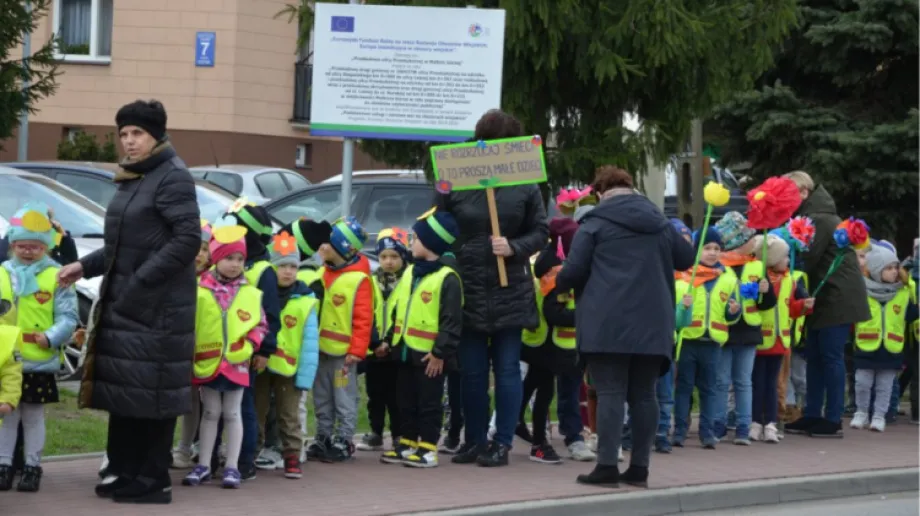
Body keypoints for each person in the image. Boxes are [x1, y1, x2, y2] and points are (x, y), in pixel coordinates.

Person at [56, 99, 201, 504]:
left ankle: (154, 480)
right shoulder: (135, 176)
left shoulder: (172, 176)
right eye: (123, 133)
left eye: (137, 133)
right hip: (128, 304)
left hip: (159, 309)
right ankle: (126, 471)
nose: (128, 141)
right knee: (127, 393)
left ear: (156, 134)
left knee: (151, 395)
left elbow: (188, 240)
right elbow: (122, 244)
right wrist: (83, 267)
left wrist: (139, 283)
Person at [555, 166, 694, 488]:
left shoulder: (595, 223)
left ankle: (606, 466)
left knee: (611, 392)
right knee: (645, 395)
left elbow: (573, 271)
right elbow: (686, 258)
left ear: (601, 192)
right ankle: (639, 469)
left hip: (607, 323)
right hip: (654, 321)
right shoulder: (659, 222)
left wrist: (560, 283)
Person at [434, 109, 549, 468]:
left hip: (509, 286)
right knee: (470, 371)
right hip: (468, 286)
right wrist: (453, 254)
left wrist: (514, 247)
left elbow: (541, 231)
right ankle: (474, 438)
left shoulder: (525, 183)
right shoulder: (457, 178)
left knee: (507, 368)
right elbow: (438, 226)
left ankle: (501, 442)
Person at [782, 171, 870, 438]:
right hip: (826, 296)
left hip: (836, 297)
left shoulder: (819, 219)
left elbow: (808, 257)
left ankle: (832, 419)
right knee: (816, 357)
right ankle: (812, 414)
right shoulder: (816, 216)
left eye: (790, 192)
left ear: (804, 193)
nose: (786, 198)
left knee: (830, 357)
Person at [0, 206, 79, 492]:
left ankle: (33, 466)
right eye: (22, 246)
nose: (29, 252)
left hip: (38, 359)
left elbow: (69, 317)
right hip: (7, 360)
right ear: (12, 245)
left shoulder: (57, 276)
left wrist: (51, 337)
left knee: (33, 417)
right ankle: (4, 465)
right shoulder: (2, 273)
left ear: (45, 247)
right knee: (7, 416)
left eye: (35, 247)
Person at [183, 226, 267, 489]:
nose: (234, 264)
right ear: (216, 258)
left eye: (240, 259)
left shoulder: (251, 294)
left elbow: (260, 324)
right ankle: (204, 465)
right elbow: (190, 324)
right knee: (210, 413)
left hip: (237, 362)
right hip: (207, 361)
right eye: (229, 258)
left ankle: (232, 467)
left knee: (232, 413)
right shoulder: (199, 291)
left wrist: (251, 345)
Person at [379, 210, 462, 468]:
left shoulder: (447, 278)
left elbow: (451, 321)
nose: (411, 244)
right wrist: (389, 339)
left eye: (415, 239)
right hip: (404, 351)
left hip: (429, 356)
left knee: (428, 403)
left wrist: (440, 352)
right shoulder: (411, 272)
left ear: (430, 244)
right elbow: (398, 308)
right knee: (405, 399)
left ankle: (427, 449)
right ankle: (407, 443)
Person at [522, 217, 596, 463]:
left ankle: (521, 424)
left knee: (544, 387)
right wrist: (585, 314)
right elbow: (555, 312)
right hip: (550, 344)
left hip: (558, 343)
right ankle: (544, 442)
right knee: (546, 392)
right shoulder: (558, 272)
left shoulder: (562, 264)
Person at [252, 232, 319, 479]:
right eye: (282, 266)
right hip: (260, 364)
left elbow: (310, 343)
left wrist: (305, 378)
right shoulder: (260, 295)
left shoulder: (305, 300)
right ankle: (251, 454)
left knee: (288, 415)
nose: (288, 271)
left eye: (293, 266)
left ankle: (292, 456)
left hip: (289, 368)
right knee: (257, 412)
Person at [306, 217, 372, 463]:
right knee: (321, 395)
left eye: (328, 244)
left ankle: (344, 439)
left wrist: (357, 349)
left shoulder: (358, 280)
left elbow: (363, 318)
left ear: (343, 248)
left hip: (344, 355)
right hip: (320, 349)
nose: (322, 248)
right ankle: (323, 436)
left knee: (343, 396)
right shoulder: (321, 273)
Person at [225, 203, 281, 478]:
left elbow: (271, 315)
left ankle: (245, 461)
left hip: (249, 351)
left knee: (244, 406)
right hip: (223, 350)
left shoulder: (262, 271)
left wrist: (265, 349)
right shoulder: (232, 261)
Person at [674, 228, 741, 450]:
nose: (712, 253)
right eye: (707, 248)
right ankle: (680, 431)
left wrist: (734, 311)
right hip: (689, 340)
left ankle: (707, 433)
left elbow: (732, 314)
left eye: (717, 249)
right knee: (683, 388)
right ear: (697, 250)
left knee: (709, 389)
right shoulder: (685, 275)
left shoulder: (727, 278)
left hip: (712, 343)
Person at [712, 212, 776, 445]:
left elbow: (767, 304)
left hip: (748, 331)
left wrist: (766, 291)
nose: (755, 241)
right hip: (725, 331)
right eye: (750, 237)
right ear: (738, 242)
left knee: (743, 381)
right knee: (721, 380)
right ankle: (718, 425)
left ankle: (742, 426)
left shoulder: (757, 266)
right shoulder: (718, 267)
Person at [750, 235, 813, 443]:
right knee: (758, 383)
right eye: (784, 256)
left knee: (774, 384)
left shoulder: (789, 280)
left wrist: (802, 306)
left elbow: (791, 310)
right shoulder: (758, 278)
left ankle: (770, 423)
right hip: (761, 341)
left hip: (780, 343)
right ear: (772, 259)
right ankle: (755, 421)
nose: (788, 260)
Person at [851, 245, 918, 432]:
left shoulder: (902, 294)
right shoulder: (862, 292)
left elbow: (912, 314)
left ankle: (879, 416)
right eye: (889, 268)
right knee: (862, 383)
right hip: (866, 346)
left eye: (896, 267)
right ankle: (861, 412)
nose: (895, 271)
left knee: (885, 386)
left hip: (891, 348)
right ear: (875, 270)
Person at [358, 228, 409, 452]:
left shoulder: (408, 280)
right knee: (375, 394)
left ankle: (398, 433)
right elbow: (366, 313)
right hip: (374, 347)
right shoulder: (371, 281)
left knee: (397, 395)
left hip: (396, 347)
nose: (389, 262)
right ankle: (376, 432)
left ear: (403, 257)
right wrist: (375, 342)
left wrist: (388, 342)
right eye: (384, 257)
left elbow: (404, 312)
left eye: (394, 256)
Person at [171, 219, 213, 470]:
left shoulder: (212, 281)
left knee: (191, 399)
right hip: (173, 346)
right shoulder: (173, 275)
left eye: (205, 249)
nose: (199, 254)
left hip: (200, 350)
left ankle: (185, 447)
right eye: (195, 247)